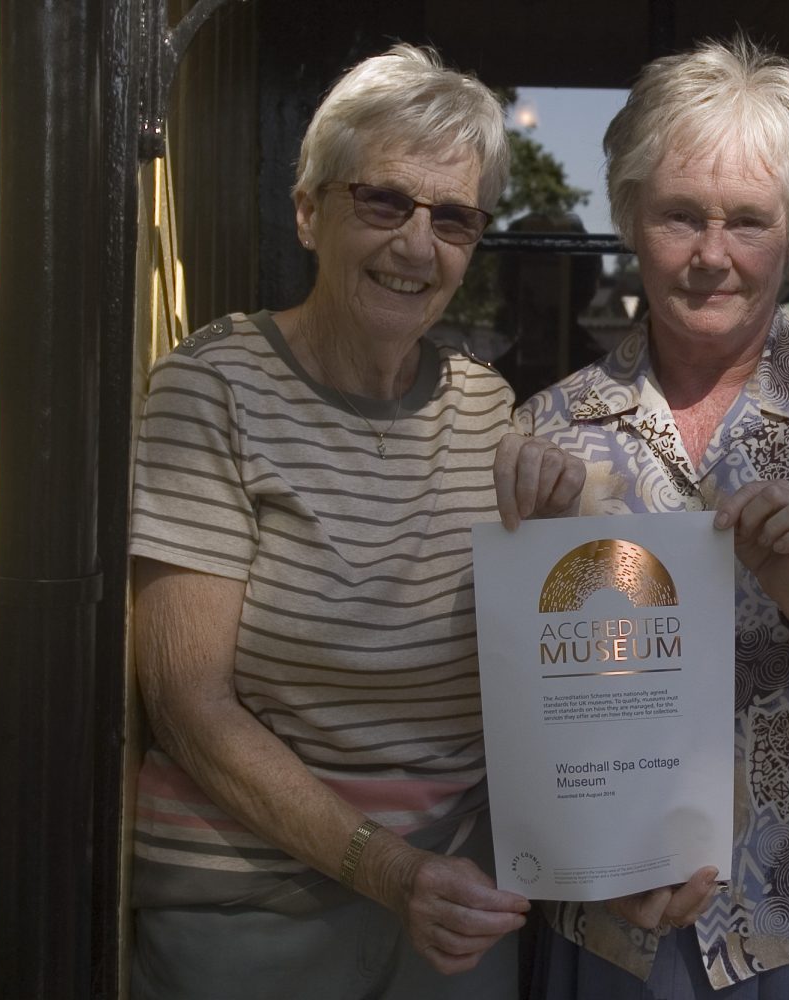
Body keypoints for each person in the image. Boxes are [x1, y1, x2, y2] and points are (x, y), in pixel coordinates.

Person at [127, 44, 583, 1000]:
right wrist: (392, 871)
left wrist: (555, 538)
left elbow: (537, 673)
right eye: (384, 202)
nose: (418, 245)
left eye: (453, 218)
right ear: (307, 211)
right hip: (252, 915)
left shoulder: (488, 409)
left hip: (456, 909)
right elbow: (189, 705)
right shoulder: (212, 389)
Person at [516, 37, 789, 1000]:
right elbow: (518, 716)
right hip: (619, 937)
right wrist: (588, 856)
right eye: (681, 215)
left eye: (749, 221)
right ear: (630, 215)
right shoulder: (549, 432)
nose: (713, 254)